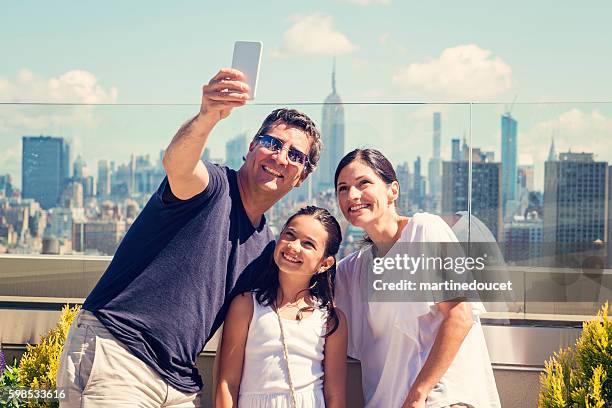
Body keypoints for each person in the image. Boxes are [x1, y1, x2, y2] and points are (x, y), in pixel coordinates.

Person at [56, 68, 323, 407]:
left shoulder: (265, 248)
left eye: (295, 155)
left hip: (180, 384)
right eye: (272, 143)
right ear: (252, 147)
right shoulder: (210, 186)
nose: (280, 157)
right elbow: (178, 164)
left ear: (301, 177)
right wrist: (208, 115)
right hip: (119, 355)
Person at [333, 149, 501, 408]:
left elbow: (460, 317)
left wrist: (417, 395)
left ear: (393, 190)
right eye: (342, 189)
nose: (352, 195)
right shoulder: (353, 269)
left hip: (439, 400)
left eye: (363, 183)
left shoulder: (424, 230)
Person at [216, 206, 347, 408]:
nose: (293, 246)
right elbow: (228, 383)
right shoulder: (246, 306)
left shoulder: (330, 320)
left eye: (308, 244)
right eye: (289, 235)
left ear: (325, 263)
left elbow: (335, 395)